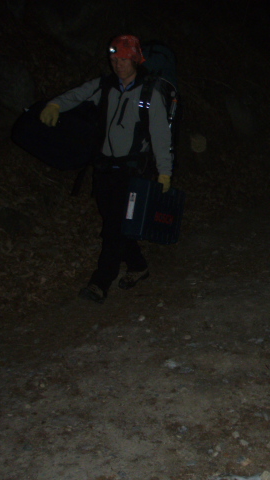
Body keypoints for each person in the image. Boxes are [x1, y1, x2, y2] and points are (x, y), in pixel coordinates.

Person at [39, 35, 174, 303]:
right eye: (113, 60)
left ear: (135, 60)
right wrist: (55, 104)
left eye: (123, 60)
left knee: (114, 227)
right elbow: (77, 94)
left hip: (132, 172)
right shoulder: (105, 86)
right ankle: (137, 265)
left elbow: (161, 136)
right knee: (116, 222)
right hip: (104, 168)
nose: (117, 65)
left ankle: (100, 283)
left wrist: (164, 171)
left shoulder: (149, 93)